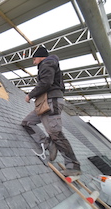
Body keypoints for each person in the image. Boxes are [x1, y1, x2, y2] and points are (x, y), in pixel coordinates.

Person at [21, 46, 81, 176]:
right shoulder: (49, 64)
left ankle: (73, 166)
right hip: (46, 102)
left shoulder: (47, 63)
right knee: (27, 122)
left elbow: (46, 83)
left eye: (34, 59)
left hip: (51, 102)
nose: (34, 62)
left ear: (41, 57)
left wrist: (30, 95)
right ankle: (47, 143)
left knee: (56, 133)